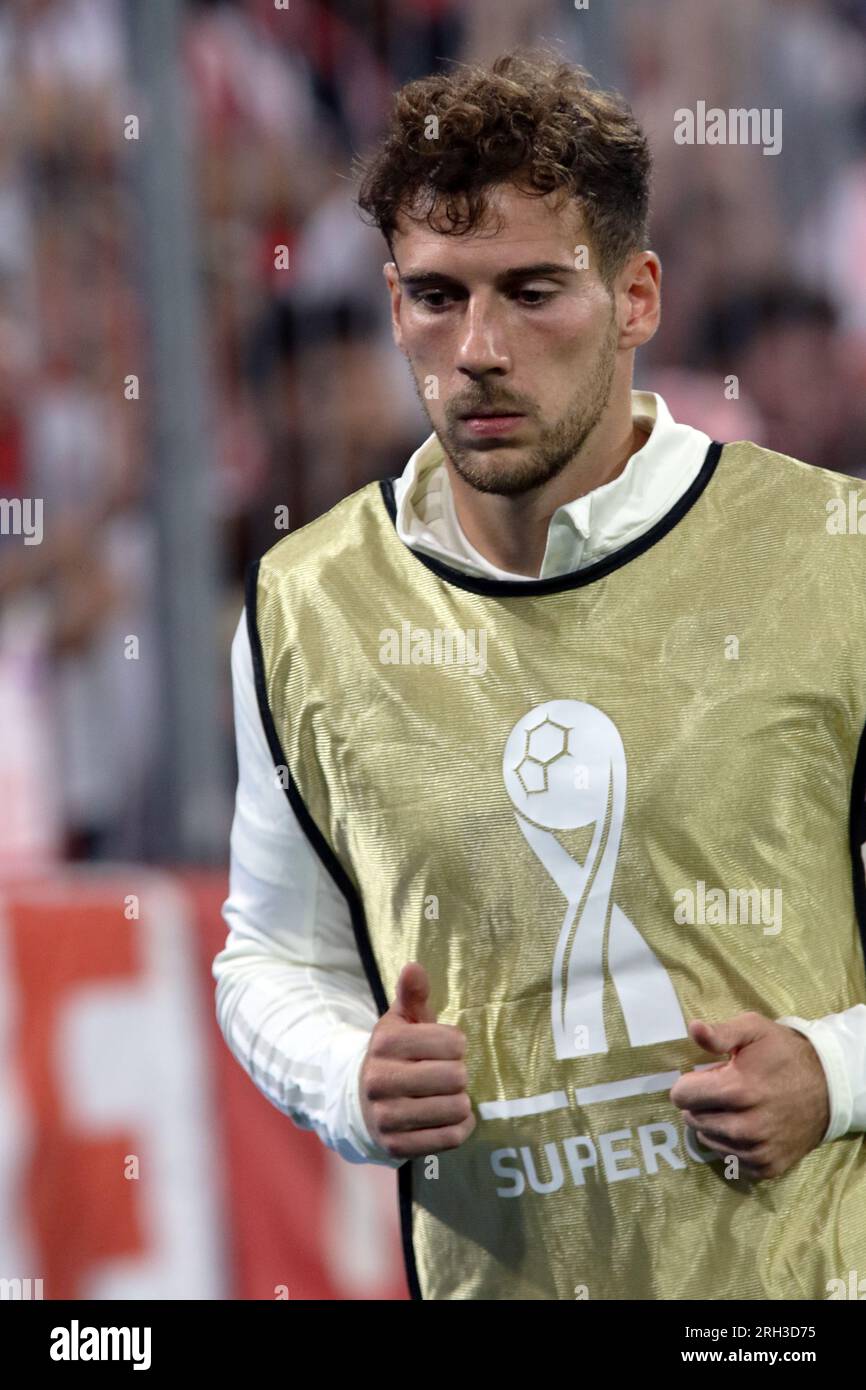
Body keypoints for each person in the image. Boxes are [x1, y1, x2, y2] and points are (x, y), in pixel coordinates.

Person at [213, 50, 866, 1300]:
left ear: (636, 298)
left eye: (530, 290)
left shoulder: (830, 556)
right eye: (434, 297)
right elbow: (269, 958)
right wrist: (347, 1077)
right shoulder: (301, 607)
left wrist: (831, 1074)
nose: (479, 349)